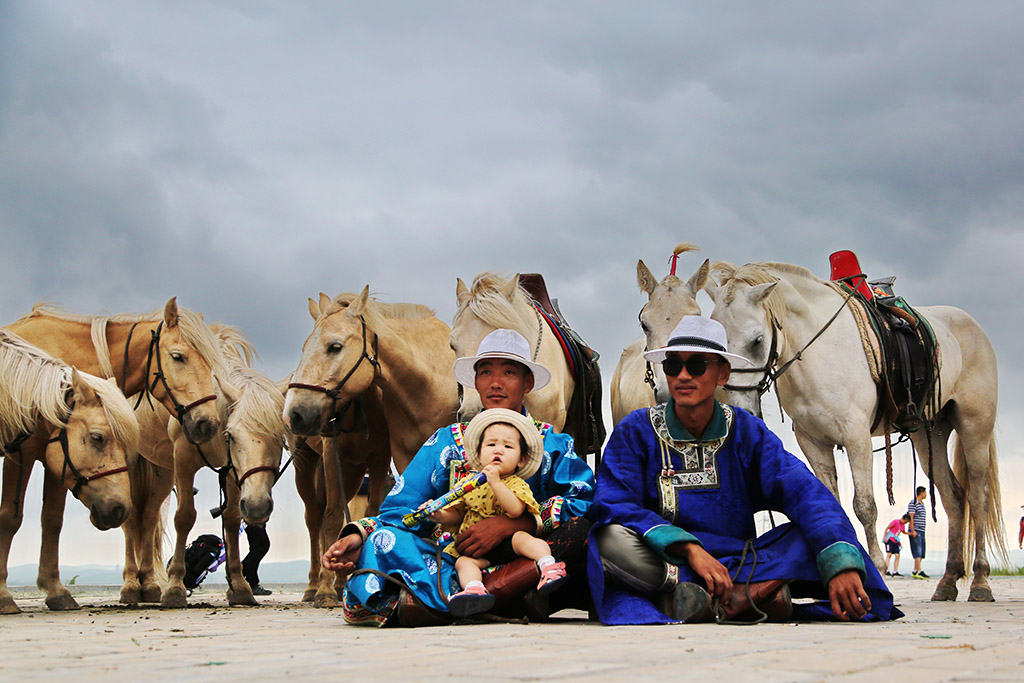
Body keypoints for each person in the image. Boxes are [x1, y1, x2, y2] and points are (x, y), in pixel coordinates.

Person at [589, 316, 900, 624]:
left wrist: (839, 561)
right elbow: (614, 502)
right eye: (673, 366)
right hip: (669, 559)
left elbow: (802, 489)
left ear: (722, 373)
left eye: (696, 365)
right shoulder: (636, 430)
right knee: (608, 539)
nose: (683, 375)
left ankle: (705, 598)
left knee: (820, 534)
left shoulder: (747, 431)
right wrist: (689, 549)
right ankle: (753, 595)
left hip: (741, 560)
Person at [322, 329, 595, 626]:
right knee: (385, 539)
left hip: (528, 555)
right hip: (454, 559)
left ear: (527, 382)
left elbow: (583, 500)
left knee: (581, 530)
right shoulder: (444, 442)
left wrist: (513, 524)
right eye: (486, 371)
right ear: (475, 381)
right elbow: (402, 508)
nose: (495, 382)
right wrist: (358, 536)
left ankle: (444, 603)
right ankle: (498, 599)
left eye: (509, 372)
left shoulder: (553, 444)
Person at [431, 409, 567, 617]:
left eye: (508, 446)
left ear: (521, 460)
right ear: (479, 454)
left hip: (508, 545)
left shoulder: (516, 484)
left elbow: (515, 510)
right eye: (491, 445)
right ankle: (475, 589)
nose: (499, 450)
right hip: (479, 551)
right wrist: (440, 515)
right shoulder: (468, 483)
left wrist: (495, 482)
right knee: (463, 563)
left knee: (523, 538)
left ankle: (548, 566)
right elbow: (457, 514)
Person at [242, 523, 272, 596]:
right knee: (261, 546)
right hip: (252, 516)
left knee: (259, 546)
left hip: (252, 517)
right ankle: (250, 581)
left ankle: (239, 572)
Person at [907, 486, 928, 579]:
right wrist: (912, 530)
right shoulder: (913, 503)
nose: (926, 494)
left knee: (921, 551)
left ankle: (915, 570)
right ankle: (919, 571)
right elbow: (911, 517)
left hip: (921, 530)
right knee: (917, 550)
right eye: (925, 492)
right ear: (922, 493)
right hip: (916, 530)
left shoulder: (921, 504)